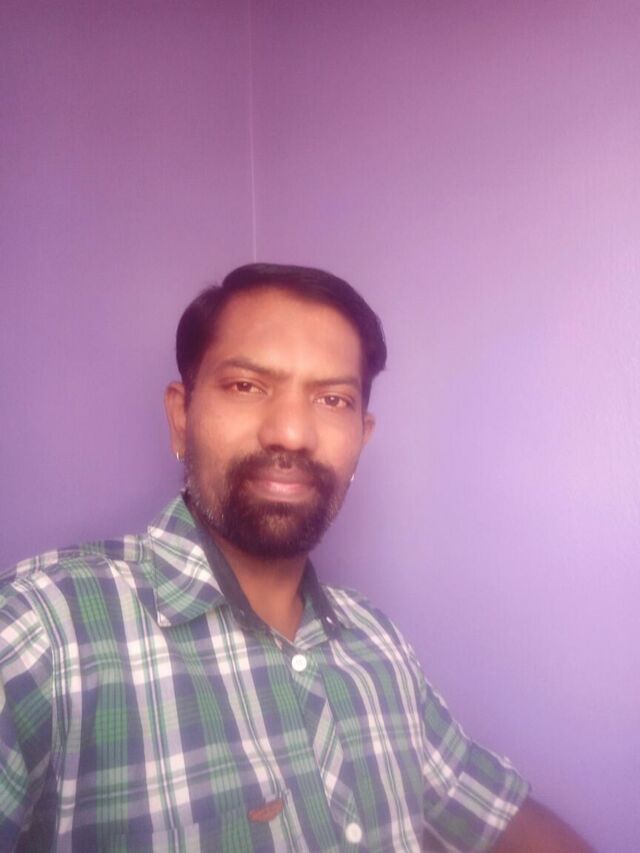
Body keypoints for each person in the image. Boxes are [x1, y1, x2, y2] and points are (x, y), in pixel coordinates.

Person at [0, 263, 591, 852]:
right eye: (246, 386)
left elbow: (495, 817)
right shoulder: (44, 629)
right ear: (182, 416)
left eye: (332, 399)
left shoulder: (376, 642)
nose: (291, 432)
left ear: (361, 438)